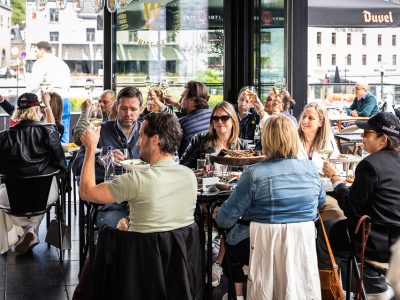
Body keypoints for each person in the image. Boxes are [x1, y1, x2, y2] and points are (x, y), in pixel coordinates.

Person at [75, 112, 200, 299]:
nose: (138, 143)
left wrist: (91, 149)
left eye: (142, 136)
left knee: (99, 244)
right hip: (177, 270)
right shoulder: (189, 176)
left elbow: (86, 192)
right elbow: (163, 221)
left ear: (155, 140)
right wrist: (130, 221)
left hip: (138, 269)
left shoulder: (136, 180)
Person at [216, 114, 325, 300]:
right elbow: (320, 203)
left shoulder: (254, 174)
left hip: (261, 247)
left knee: (229, 240)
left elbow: (224, 220)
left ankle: (237, 294)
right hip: (302, 246)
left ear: (266, 139)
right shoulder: (312, 170)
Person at [322, 112, 400, 298]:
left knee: (324, 232)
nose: (362, 137)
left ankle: (338, 292)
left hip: (374, 243)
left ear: (382, 140)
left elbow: (350, 208)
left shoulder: (369, 165)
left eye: (367, 134)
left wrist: (335, 180)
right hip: (395, 241)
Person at [0, 93, 66, 254]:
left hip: (12, 198)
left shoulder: (3, 137)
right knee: (40, 195)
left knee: (3, 200)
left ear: (17, 112)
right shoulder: (49, 131)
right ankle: (31, 230)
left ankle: (11, 240)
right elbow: (61, 164)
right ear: (37, 109)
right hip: (44, 195)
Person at [72, 87, 142, 228]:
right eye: (123, 108)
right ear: (116, 107)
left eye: (133, 109)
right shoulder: (99, 131)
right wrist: (102, 159)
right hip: (111, 202)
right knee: (123, 230)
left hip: (141, 199)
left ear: (141, 109)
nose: (128, 113)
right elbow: (76, 167)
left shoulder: (146, 132)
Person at [180, 101, 249, 169]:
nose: (219, 121)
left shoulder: (243, 146)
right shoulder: (199, 140)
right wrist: (200, 171)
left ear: (233, 121)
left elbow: (252, 173)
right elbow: (182, 168)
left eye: (224, 118)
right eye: (215, 118)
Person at [26, 41, 72, 143]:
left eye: (36, 51)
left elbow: (33, 85)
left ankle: (49, 156)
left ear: (42, 51)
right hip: (65, 98)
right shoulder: (61, 62)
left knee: (49, 130)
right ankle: (64, 157)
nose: (35, 54)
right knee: (64, 129)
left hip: (51, 99)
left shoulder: (40, 62)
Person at [164, 81, 211, 157]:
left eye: (182, 97)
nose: (179, 100)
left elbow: (173, 154)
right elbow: (193, 114)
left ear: (192, 100)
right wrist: (176, 104)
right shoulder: (213, 114)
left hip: (189, 166)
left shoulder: (182, 124)